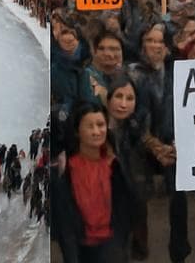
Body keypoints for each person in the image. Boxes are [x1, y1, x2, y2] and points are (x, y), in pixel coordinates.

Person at [52, 100, 136, 262]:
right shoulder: (67, 173)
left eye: (100, 125)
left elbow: (126, 207)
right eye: (89, 126)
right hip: (83, 249)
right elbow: (65, 225)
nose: (96, 131)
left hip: (113, 247)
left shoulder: (116, 165)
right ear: (77, 131)